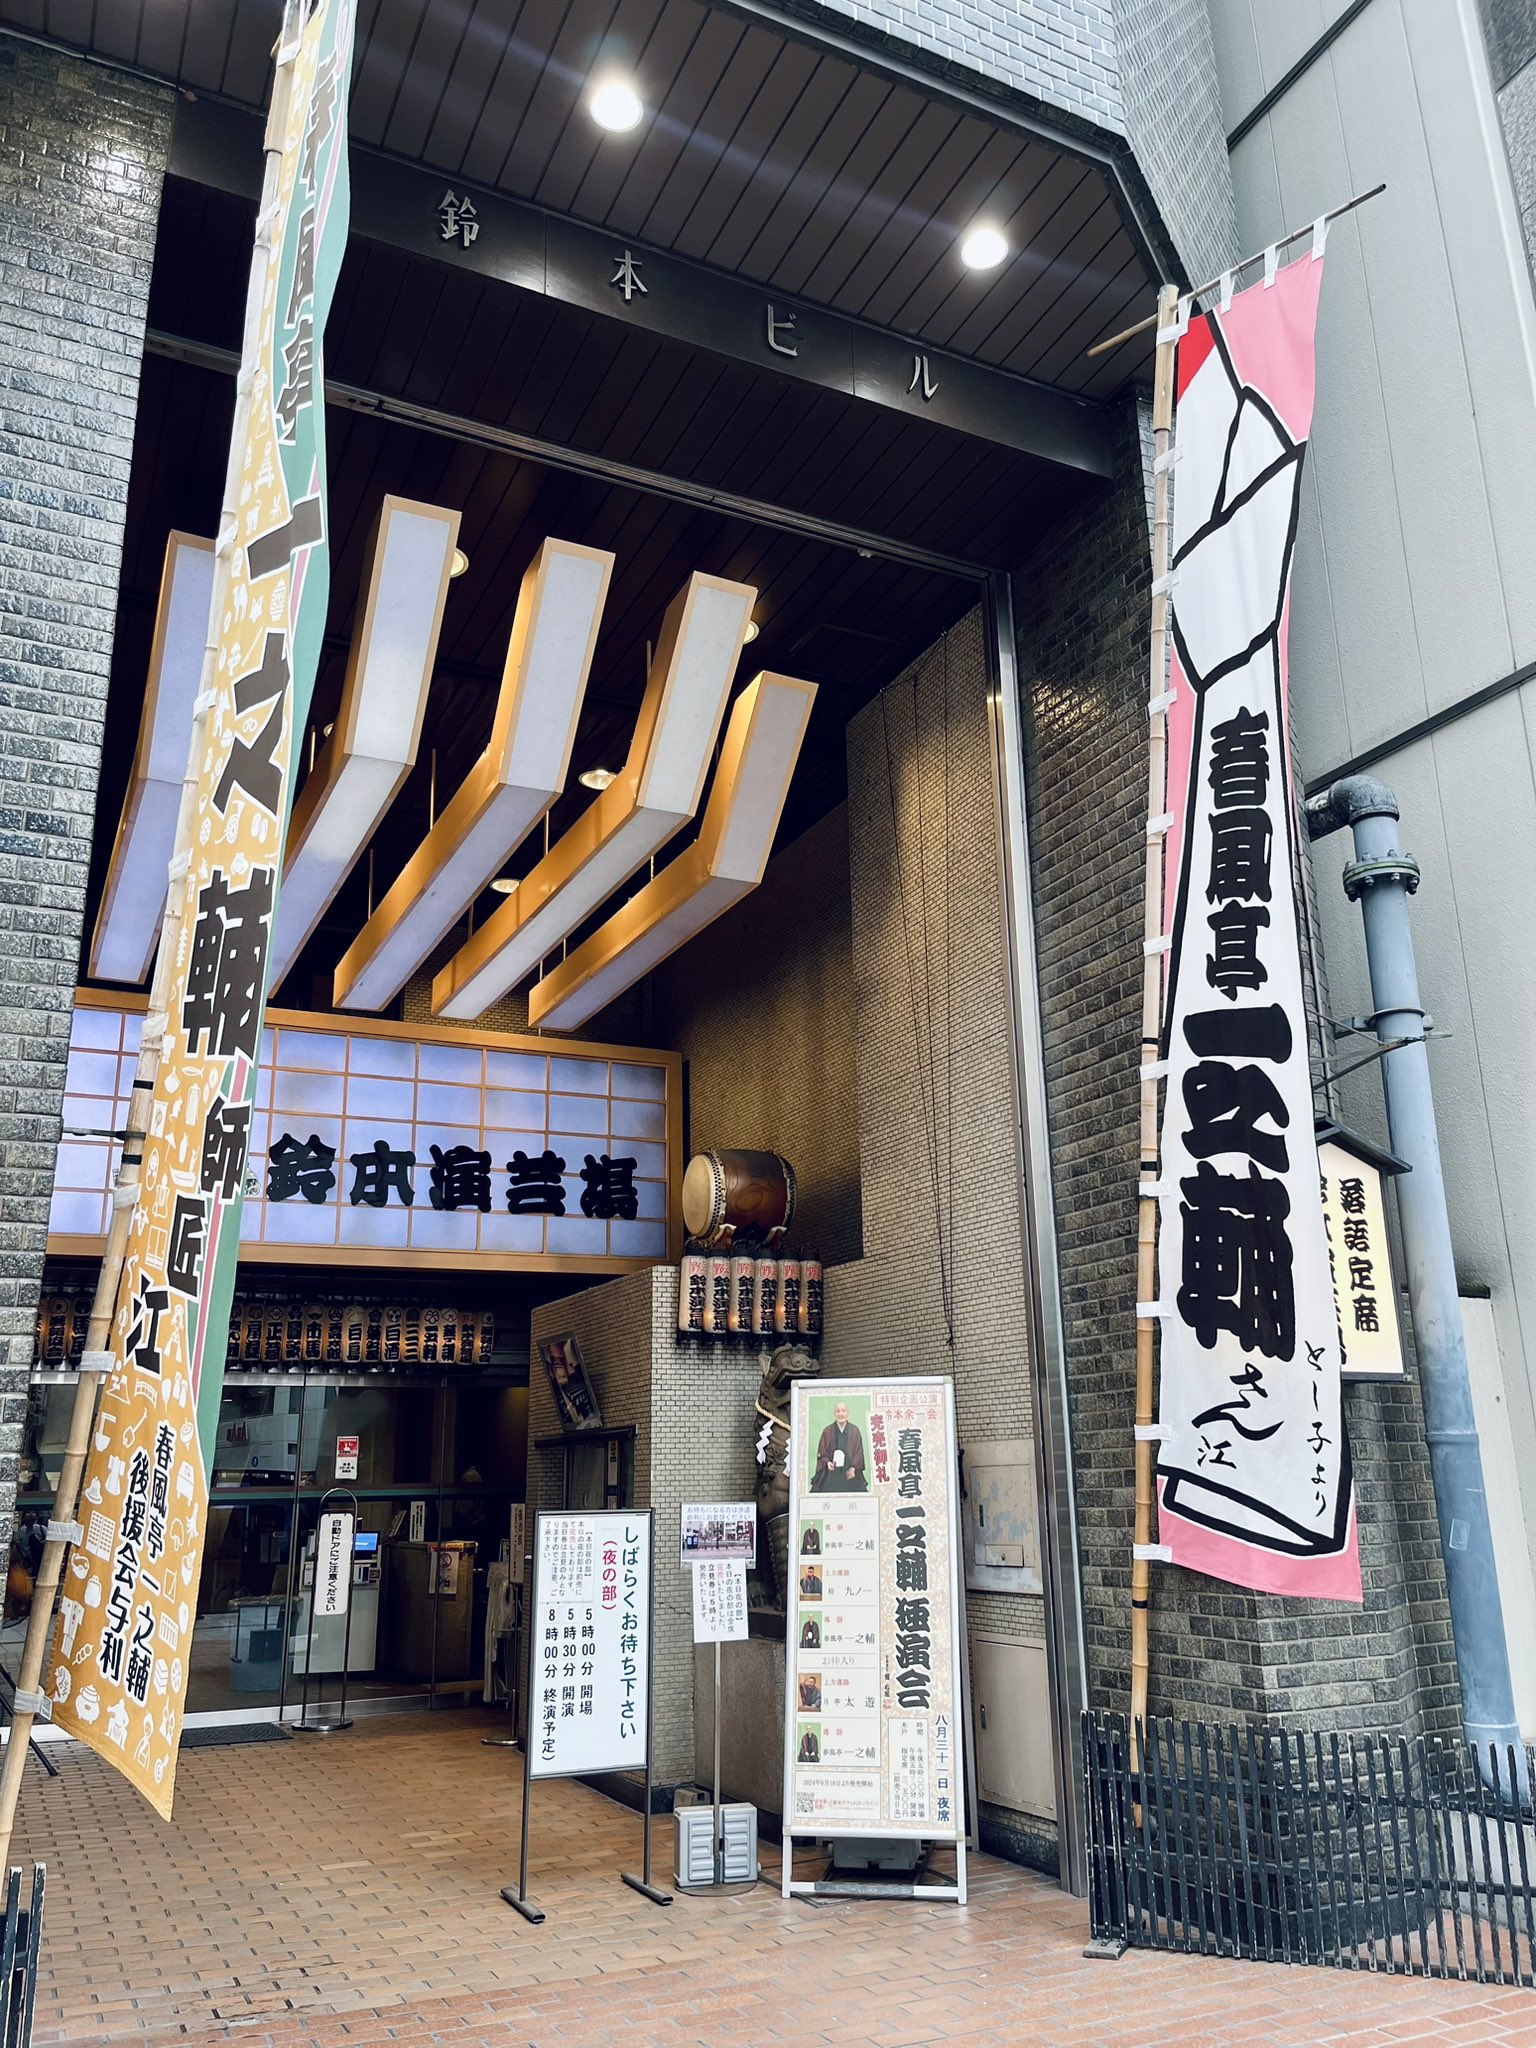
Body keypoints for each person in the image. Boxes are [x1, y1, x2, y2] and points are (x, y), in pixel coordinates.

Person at [812, 1401, 867, 1493]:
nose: (841, 1414)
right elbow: (821, 1452)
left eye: (843, 1411)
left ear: (848, 1413)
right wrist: (827, 1462)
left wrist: (854, 1468)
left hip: (850, 1472)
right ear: (834, 1413)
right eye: (838, 1411)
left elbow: (859, 1452)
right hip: (831, 1472)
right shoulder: (827, 1431)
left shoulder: (855, 1431)